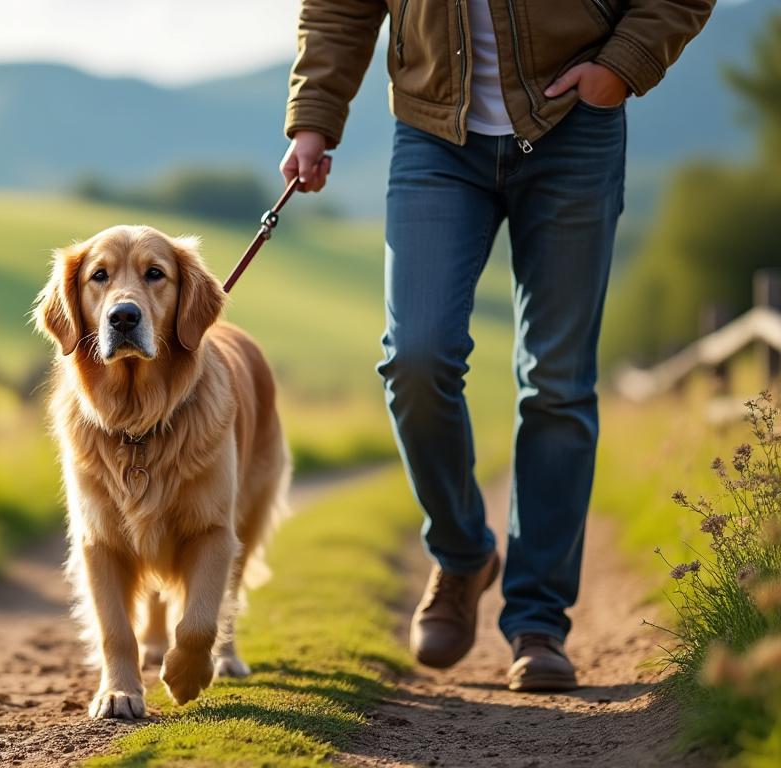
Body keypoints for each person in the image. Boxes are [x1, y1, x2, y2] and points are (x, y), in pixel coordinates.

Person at [281, 0, 714, 691]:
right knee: (415, 356)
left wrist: (620, 66)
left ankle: (538, 622)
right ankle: (461, 555)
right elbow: (339, 7)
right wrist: (314, 119)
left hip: (575, 126)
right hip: (432, 136)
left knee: (557, 381)